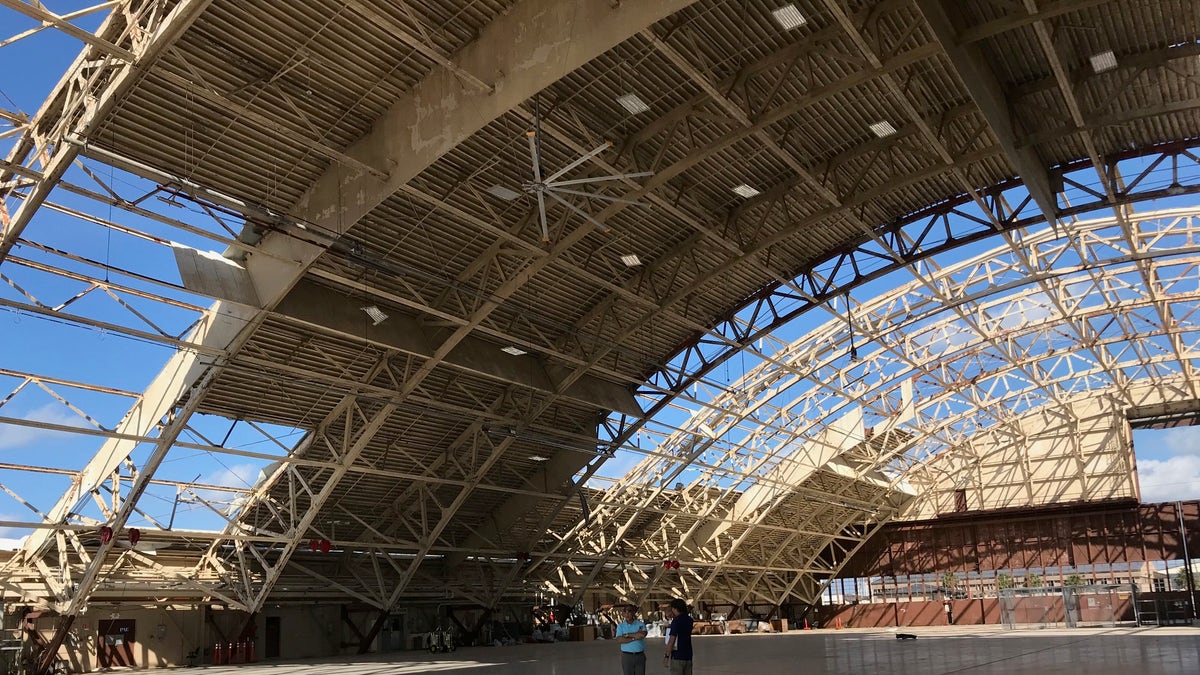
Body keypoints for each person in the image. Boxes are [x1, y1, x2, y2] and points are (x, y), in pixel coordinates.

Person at [662, 598, 693, 675]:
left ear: (675, 609)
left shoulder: (676, 621)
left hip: (677, 656)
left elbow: (672, 640)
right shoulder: (689, 620)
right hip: (688, 655)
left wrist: (666, 656)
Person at [615, 606, 647, 675]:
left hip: (640, 656)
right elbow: (619, 640)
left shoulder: (640, 624)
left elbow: (642, 635)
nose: (627, 614)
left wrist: (627, 635)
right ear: (623, 614)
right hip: (627, 656)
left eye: (629, 612)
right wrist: (634, 637)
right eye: (625, 612)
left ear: (633, 613)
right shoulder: (620, 626)